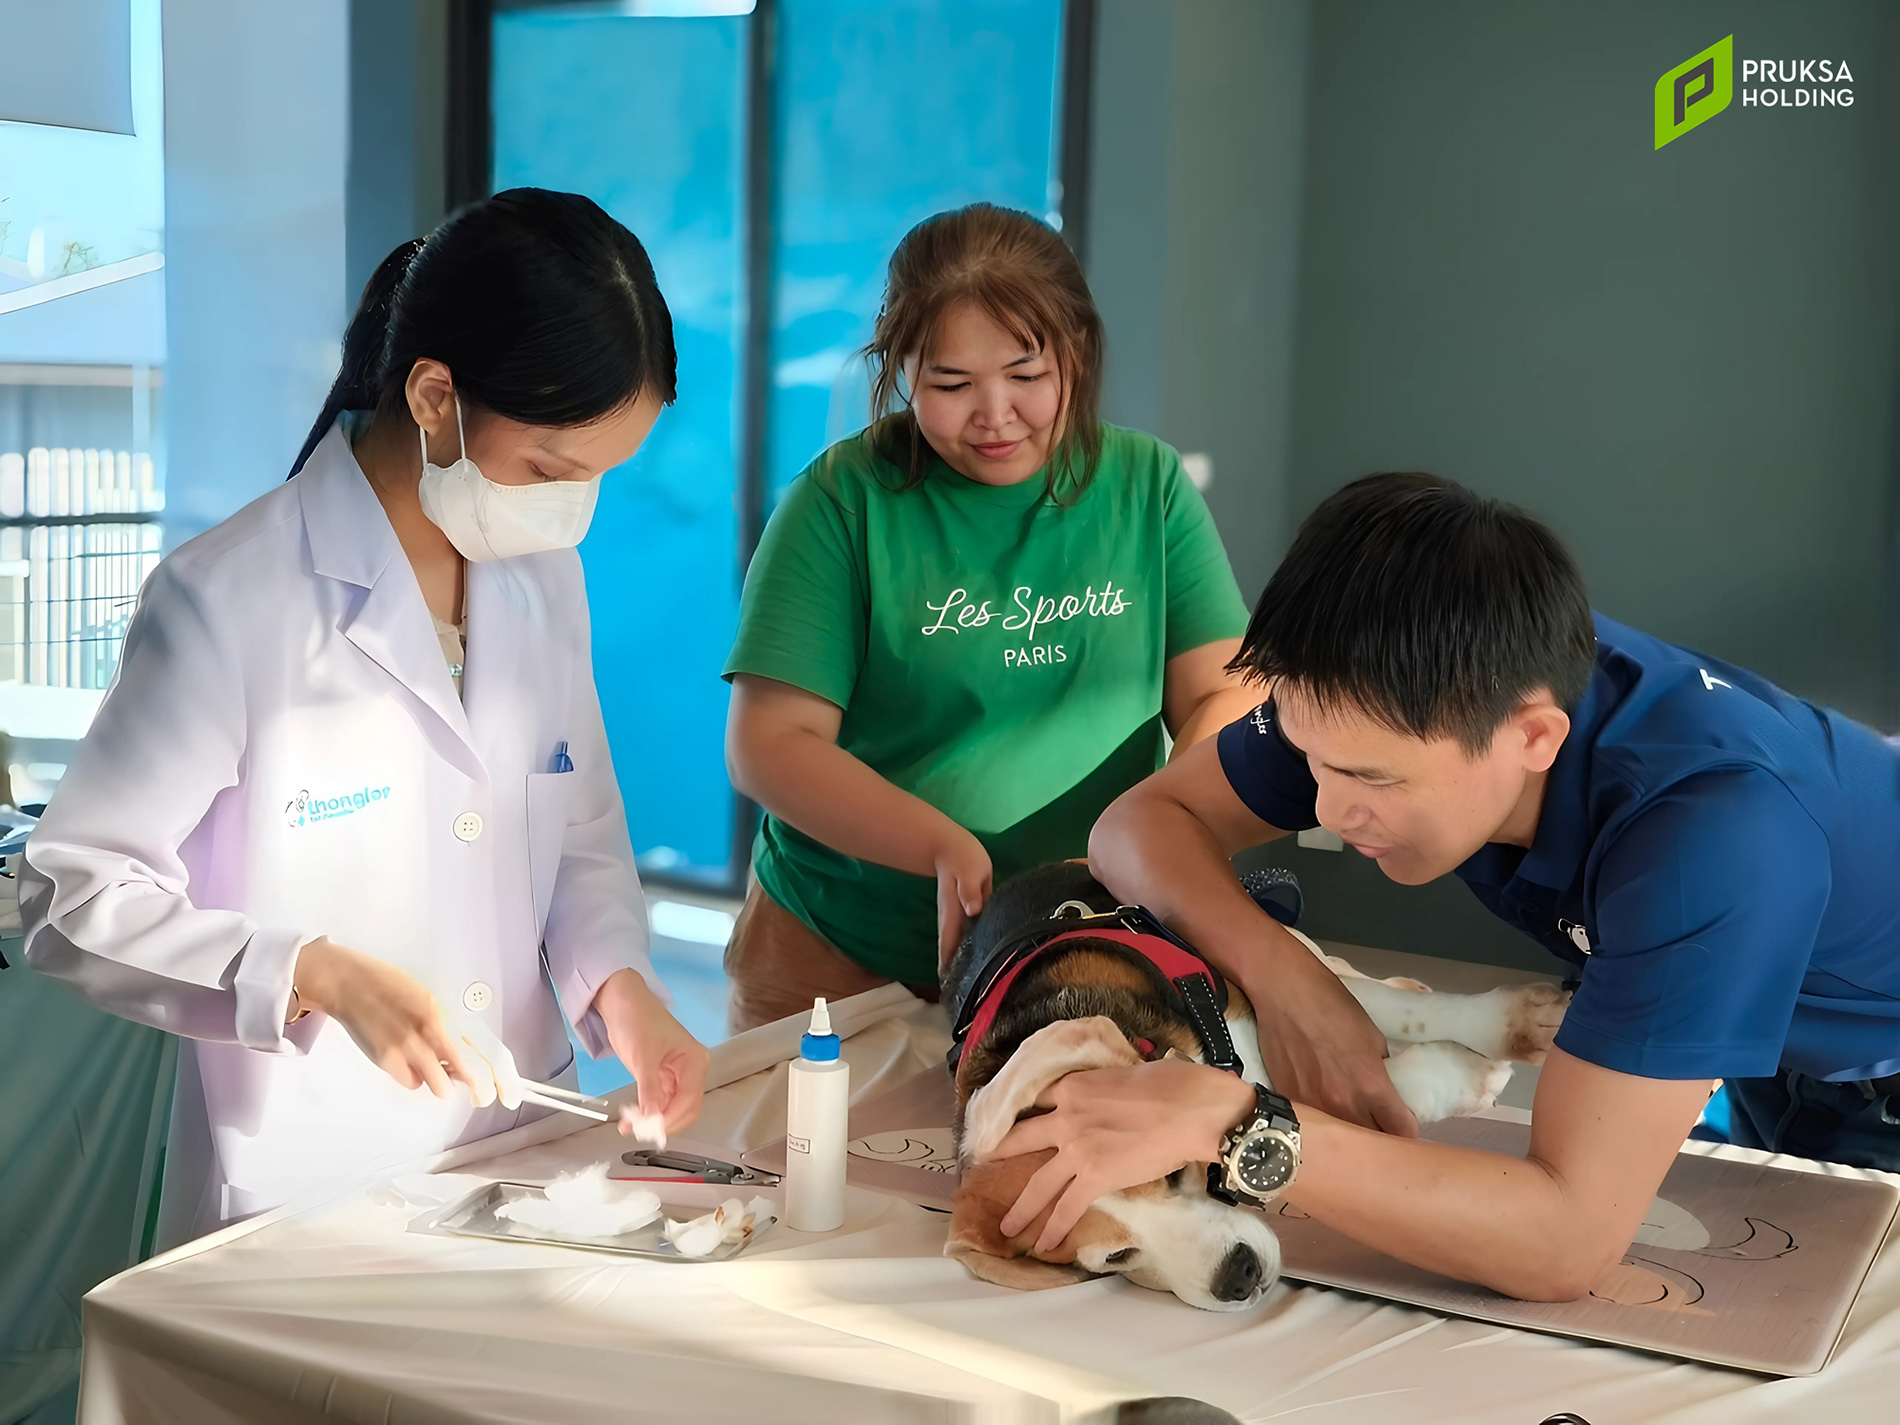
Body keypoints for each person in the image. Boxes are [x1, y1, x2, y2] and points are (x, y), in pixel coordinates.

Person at [992, 471, 1900, 1300]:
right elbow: (1134, 827)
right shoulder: (1408, 679)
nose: (1327, 809)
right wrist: (1286, 976)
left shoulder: (1711, 842)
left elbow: (1564, 1243)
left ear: (1534, 739)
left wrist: (1241, 1123)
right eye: (1309, 757)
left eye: (1372, 779)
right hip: (1781, 1038)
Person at [22, 189, 709, 1246]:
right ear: (435, 396)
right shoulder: (228, 598)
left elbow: (577, 837)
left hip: (521, 1149)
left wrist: (625, 992)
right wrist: (314, 973)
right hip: (313, 1188)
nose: (573, 509)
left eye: (597, 478)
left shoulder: (543, 580)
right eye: (550, 471)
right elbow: (73, 895)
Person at [721, 203, 1259, 1032]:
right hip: (839, 951)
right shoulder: (839, 503)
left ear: (1076, 352)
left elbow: (1225, 694)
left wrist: (1159, 825)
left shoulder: (1146, 486)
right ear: (900, 369)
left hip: (1079, 944)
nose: (995, 413)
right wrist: (939, 843)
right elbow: (770, 744)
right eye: (951, 384)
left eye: (1026, 375)